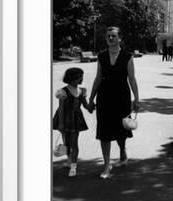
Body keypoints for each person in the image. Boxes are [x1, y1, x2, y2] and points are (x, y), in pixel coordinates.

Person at [89, 26, 140, 179]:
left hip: (121, 97)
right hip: (104, 97)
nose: (110, 38)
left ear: (120, 38)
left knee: (121, 130)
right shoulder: (102, 56)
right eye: (108, 36)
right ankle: (106, 165)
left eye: (113, 36)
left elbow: (131, 79)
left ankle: (122, 151)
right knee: (104, 131)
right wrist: (91, 99)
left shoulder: (127, 56)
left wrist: (136, 99)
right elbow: (98, 78)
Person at [53, 67, 93, 177]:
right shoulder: (63, 91)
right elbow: (61, 109)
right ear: (72, 78)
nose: (81, 79)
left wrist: (91, 106)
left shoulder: (82, 91)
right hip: (64, 118)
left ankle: (73, 166)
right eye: (79, 77)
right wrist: (61, 124)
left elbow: (86, 106)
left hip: (76, 118)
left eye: (82, 77)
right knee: (66, 143)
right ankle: (69, 160)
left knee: (74, 143)